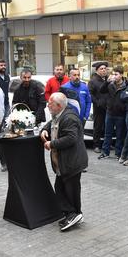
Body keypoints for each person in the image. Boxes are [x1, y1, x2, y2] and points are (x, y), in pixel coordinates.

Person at [40, 92, 88, 231]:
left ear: (59, 106)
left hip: (71, 162)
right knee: (62, 189)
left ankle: (74, 214)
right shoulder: (59, 115)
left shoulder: (69, 118)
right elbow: (51, 123)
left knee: (69, 190)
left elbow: (71, 138)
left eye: (50, 104)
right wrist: (44, 130)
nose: (48, 106)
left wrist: (52, 144)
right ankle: (73, 214)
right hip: (64, 163)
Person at [98, 66, 127, 159]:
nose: (114, 76)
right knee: (107, 134)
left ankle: (118, 153)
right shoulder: (110, 84)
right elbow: (101, 90)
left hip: (120, 113)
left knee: (119, 135)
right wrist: (107, 82)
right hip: (110, 112)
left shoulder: (126, 85)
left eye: (116, 74)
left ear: (121, 75)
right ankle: (105, 152)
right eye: (113, 74)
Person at [88, 62, 109, 153]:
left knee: (107, 126)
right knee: (98, 126)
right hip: (99, 107)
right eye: (101, 69)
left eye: (105, 68)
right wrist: (97, 102)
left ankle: (106, 144)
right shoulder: (93, 81)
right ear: (97, 71)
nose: (104, 70)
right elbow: (90, 94)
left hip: (108, 107)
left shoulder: (108, 79)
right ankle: (96, 145)